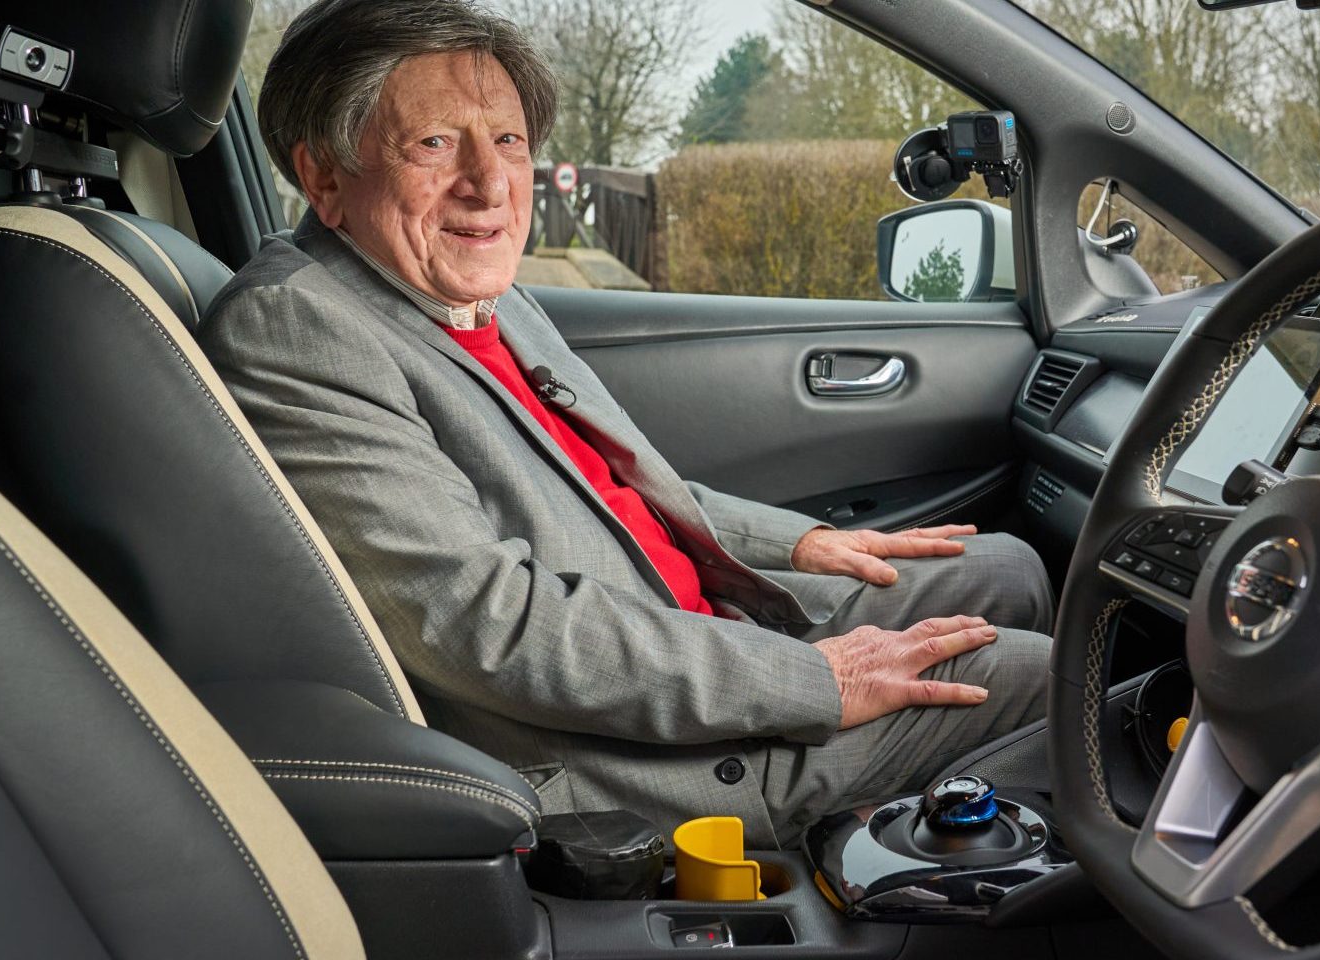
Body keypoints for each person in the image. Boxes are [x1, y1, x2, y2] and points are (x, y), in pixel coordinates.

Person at [198, 0, 1053, 846]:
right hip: (634, 758)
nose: (491, 184)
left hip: (687, 619)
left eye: (508, 141)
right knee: (1042, 678)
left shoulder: (478, 293)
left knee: (1010, 570)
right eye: (433, 143)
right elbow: (488, 624)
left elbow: (616, 483)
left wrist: (796, 545)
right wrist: (816, 679)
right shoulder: (300, 327)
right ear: (323, 179)